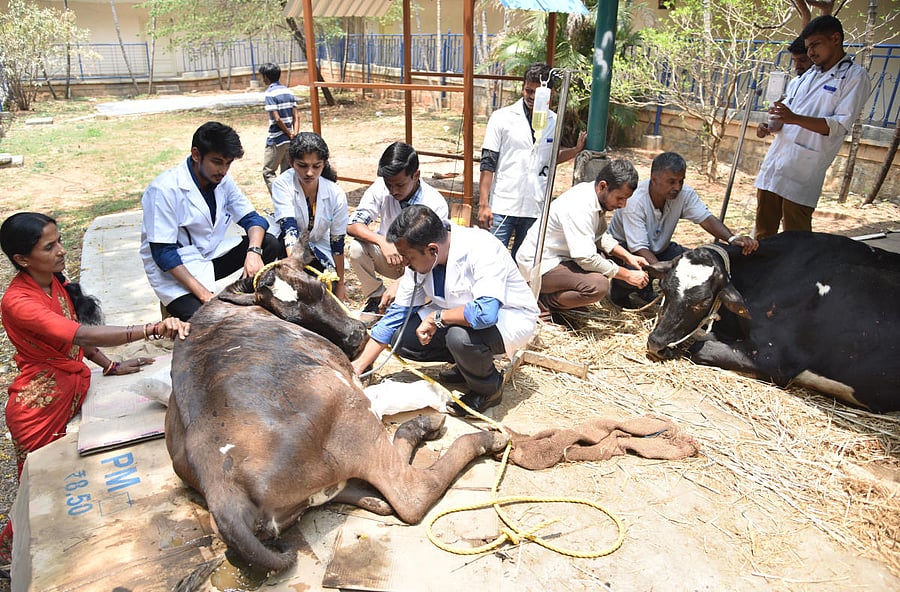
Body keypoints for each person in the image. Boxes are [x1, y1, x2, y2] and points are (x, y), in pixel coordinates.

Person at [0, 212, 191, 561]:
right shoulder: (18, 302)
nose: (60, 250)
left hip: (68, 391)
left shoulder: (50, 280)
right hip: (39, 409)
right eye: (50, 246)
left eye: (59, 241)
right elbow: (80, 334)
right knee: (39, 492)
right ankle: (14, 559)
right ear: (21, 259)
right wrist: (150, 329)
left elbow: (73, 332)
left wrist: (110, 365)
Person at [350, 205, 539, 417]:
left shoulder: (482, 247)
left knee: (460, 338)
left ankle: (488, 389)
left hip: (508, 317)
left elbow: (486, 313)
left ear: (432, 250)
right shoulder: (421, 260)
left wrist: (438, 317)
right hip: (455, 314)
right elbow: (395, 317)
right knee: (401, 336)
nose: (403, 263)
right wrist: (357, 368)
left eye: (408, 257)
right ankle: (466, 366)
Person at [140, 121, 279, 321]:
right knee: (210, 324)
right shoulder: (164, 190)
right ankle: (183, 307)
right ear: (196, 154)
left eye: (228, 163)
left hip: (208, 255)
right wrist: (206, 296)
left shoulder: (223, 180)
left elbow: (253, 219)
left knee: (269, 243)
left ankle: (236, 299)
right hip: (175, 270)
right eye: (217, 161)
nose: (223, 170)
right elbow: (164, 254)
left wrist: (253, 252)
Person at [753, 15, 871, 239]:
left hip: (803, 171)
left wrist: (794, 118)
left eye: (815, 45)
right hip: (776, 165)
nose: (810, 53)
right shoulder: (806, 77)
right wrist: (769, 126)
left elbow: (837, 126)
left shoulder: (854, 77)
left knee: (796, 240)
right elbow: (784, 113)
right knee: (762, 233)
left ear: (835, 39)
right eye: (808, 48)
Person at [606, 152, 758, 308]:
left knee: (698, 264)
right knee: (636, 269)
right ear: (654, 179)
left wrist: (731, 238)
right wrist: (666, 274)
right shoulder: (634, 200)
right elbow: (638, 248)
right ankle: (620, 292)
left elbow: (706, 219)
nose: (677, 187)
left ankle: (647, 287)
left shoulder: (684, 194)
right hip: (627, 251)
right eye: (671, 181)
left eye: (681, 181)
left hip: (660, 249)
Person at [476, 62, 587, 258]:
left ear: (550, 94)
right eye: (528, 90)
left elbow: (549, 158)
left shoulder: (553, 120)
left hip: (534, 207)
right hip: (504, 204)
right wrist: (484, 204)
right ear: (522, 88)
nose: (532, 96)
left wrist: (575, 151)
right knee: (493, 259)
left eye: (539, 92)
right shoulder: (501, 118)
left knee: (524, 262)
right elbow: (488, 162)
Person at [515, 159, 649, 313]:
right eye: (620, 198)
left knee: (604, 263)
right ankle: (545, 302)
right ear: (603, 186)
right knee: (599, 285)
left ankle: (563, 300)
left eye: (626, 199)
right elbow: (586, 258)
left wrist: (628, 257)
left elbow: (599, 236)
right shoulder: (580, 205)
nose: (623, 205)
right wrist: (627, 275)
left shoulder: (594, 196)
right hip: (540, 266)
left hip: (560, 259)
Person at [347, 142, 449, 319]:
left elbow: (435, 257)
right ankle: (377, 297)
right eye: (389, 185)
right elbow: (353, 225)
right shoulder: (381, 186)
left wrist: (402, 283)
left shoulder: (434, 202)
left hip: (423, 265)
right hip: (391, 258)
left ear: (416, 175)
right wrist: (383, 242)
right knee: (356, 249)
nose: (393, 191)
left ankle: (414, 303)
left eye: (399, 185)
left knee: (409, 313)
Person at [271, 132, 349, 301]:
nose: (309, 173)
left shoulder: (336, 194)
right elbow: (289, 231)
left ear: (324, 164)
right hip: (287, 247)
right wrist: (295, 273)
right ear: (291, 163)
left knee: (328, 289)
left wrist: (341, 284)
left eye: (316, 166)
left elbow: (337, 243)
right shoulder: (282, 184)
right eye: (302, 165)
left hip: (317, 246)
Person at [756, 37, 813, 139]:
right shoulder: (795, 83)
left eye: (802, 60)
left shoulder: (818, 85)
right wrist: (767, 127)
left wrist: (794, 118)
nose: (797, 66)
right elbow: (782, 122)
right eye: (795, 61)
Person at [259, 62, 300, 195]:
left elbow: (276, 119)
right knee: (287, 173)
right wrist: (294, 134)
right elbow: (296, 116)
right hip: (290, 139)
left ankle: (280, 198)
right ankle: (291, 199)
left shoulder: (270, 94)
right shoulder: (288, 91)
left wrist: (288, 133)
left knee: (268, 171)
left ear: (266, 77)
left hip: (277, 139)